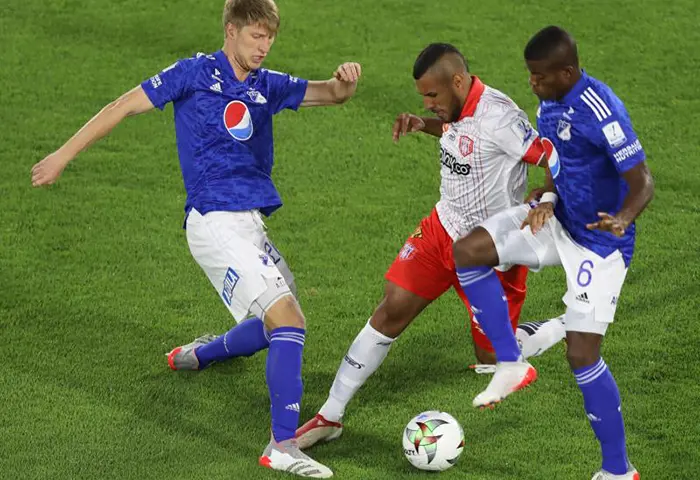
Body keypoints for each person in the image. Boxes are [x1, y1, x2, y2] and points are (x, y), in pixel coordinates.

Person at [30, 0, 362, 477]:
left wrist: (345, 84)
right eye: (256, 37)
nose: (264, 47)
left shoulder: (266, 84)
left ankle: (197, 355)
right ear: (231, 31)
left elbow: (329, 93)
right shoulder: (192, 74)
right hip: (213, 222)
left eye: (270, 38)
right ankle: (282, 447)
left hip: (249, 223)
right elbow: (123, 106)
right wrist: (62, 155)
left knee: (275, 325)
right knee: (289, 322)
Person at [292, 43, 566, 450]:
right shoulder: (455, 109)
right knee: (391, 308)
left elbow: (554, 156)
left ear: (458, 81)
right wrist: (425, 124)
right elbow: (459, 131)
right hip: (441, 230)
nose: (428, 102)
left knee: (491, 358)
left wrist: (548, 199)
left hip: (490, 252)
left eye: (433, 95)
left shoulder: (501, 118)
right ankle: (330, 415)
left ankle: (557, 327)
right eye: (423, 97)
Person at [451, 26, 652, 479]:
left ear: (567, 72)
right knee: (469, 251)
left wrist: (623, 218)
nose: (532, 83)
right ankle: (510, 362)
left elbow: (643, 181)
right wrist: (546, 198)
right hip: (557, 219)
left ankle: (618, 471)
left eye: (539, 76)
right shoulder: (550, 101)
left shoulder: (601, 110)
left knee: (582, 355)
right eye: (530, 74)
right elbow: (559, 163)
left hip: (602, 242)